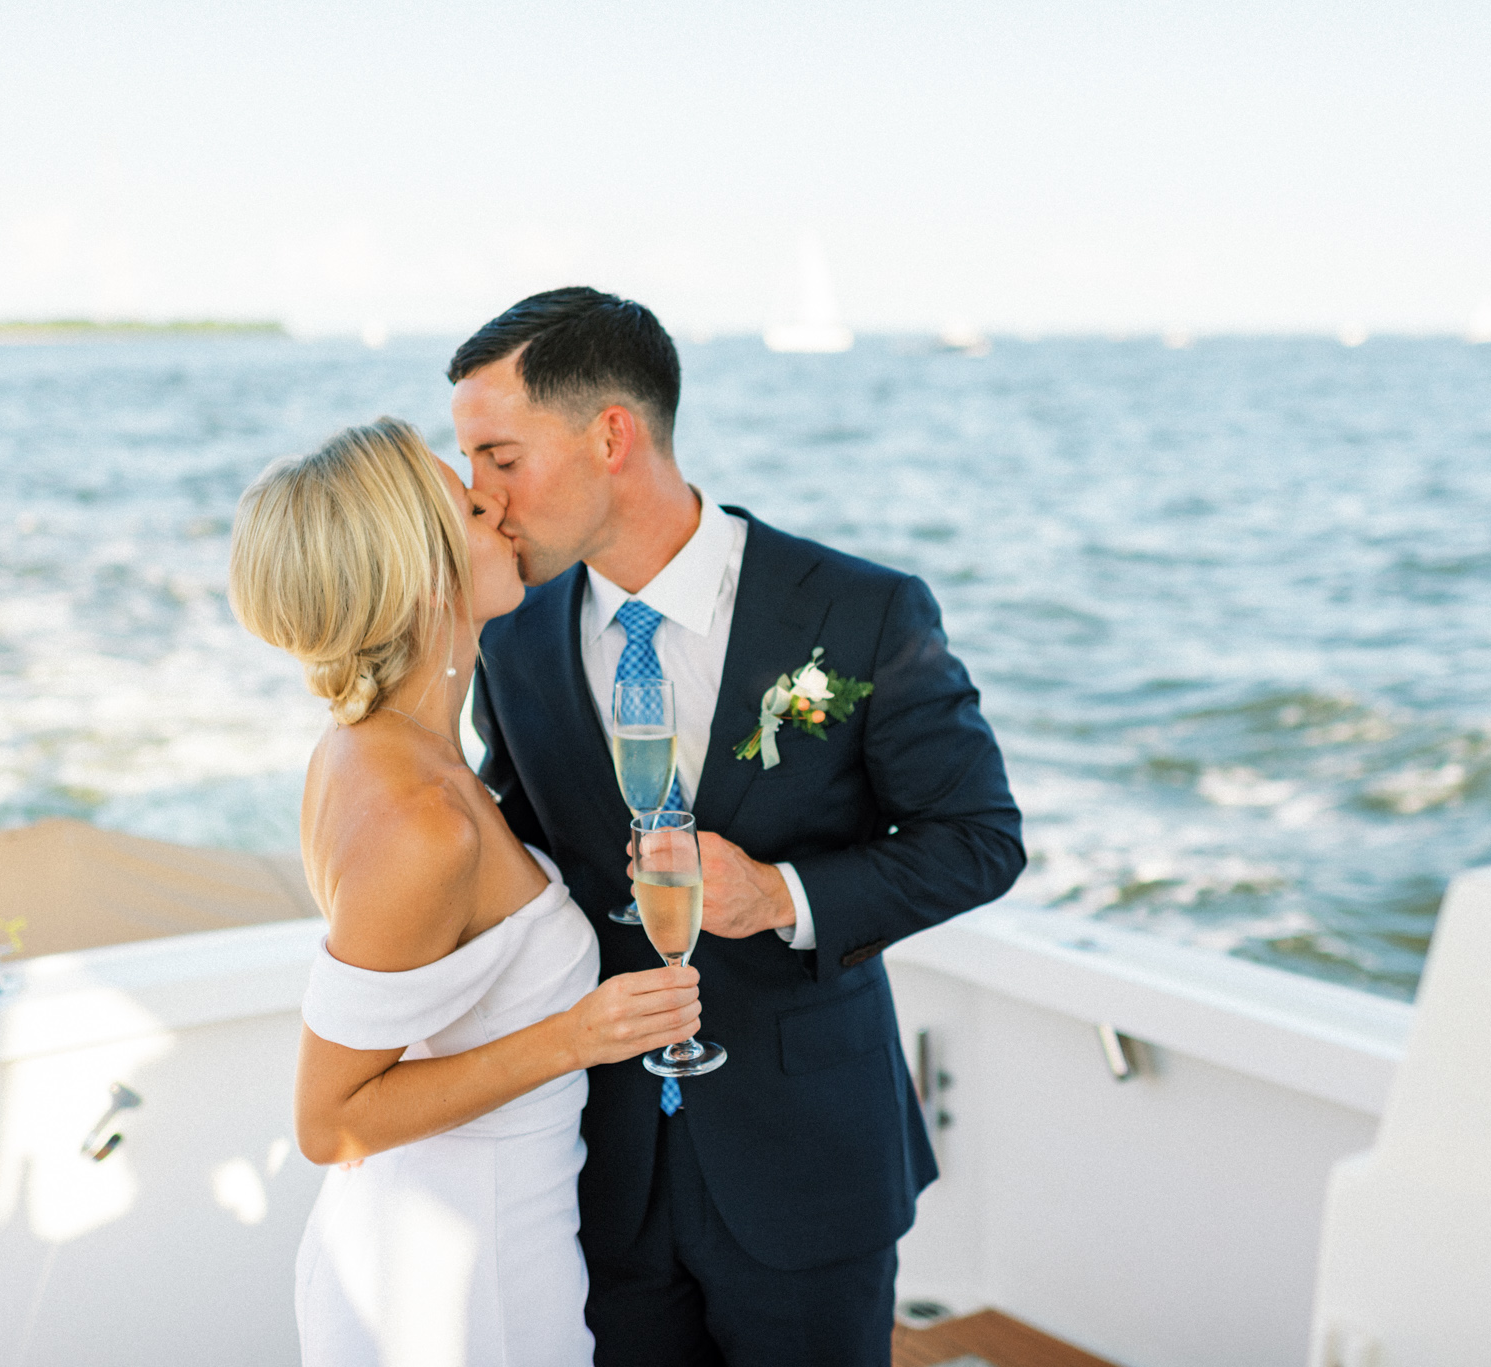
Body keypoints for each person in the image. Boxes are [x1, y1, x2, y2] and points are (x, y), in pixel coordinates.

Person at [455, 289, 1026, 1366]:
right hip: (597, 1163)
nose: (478, 499)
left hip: (807, 1158)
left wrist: (783, 895)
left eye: (498, 456)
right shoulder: (512, 630)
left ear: (609, 436)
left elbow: (979, 836)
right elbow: (517, 840)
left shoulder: (860, 612)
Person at [228, 417, 702, 1367]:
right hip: (452, 1283)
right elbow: (331, 1121)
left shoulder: (365, 745)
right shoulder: (421, 820)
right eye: (470, 506)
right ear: (418, 573)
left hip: (471, 1234)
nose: (501, 510)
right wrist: (580, 1034)